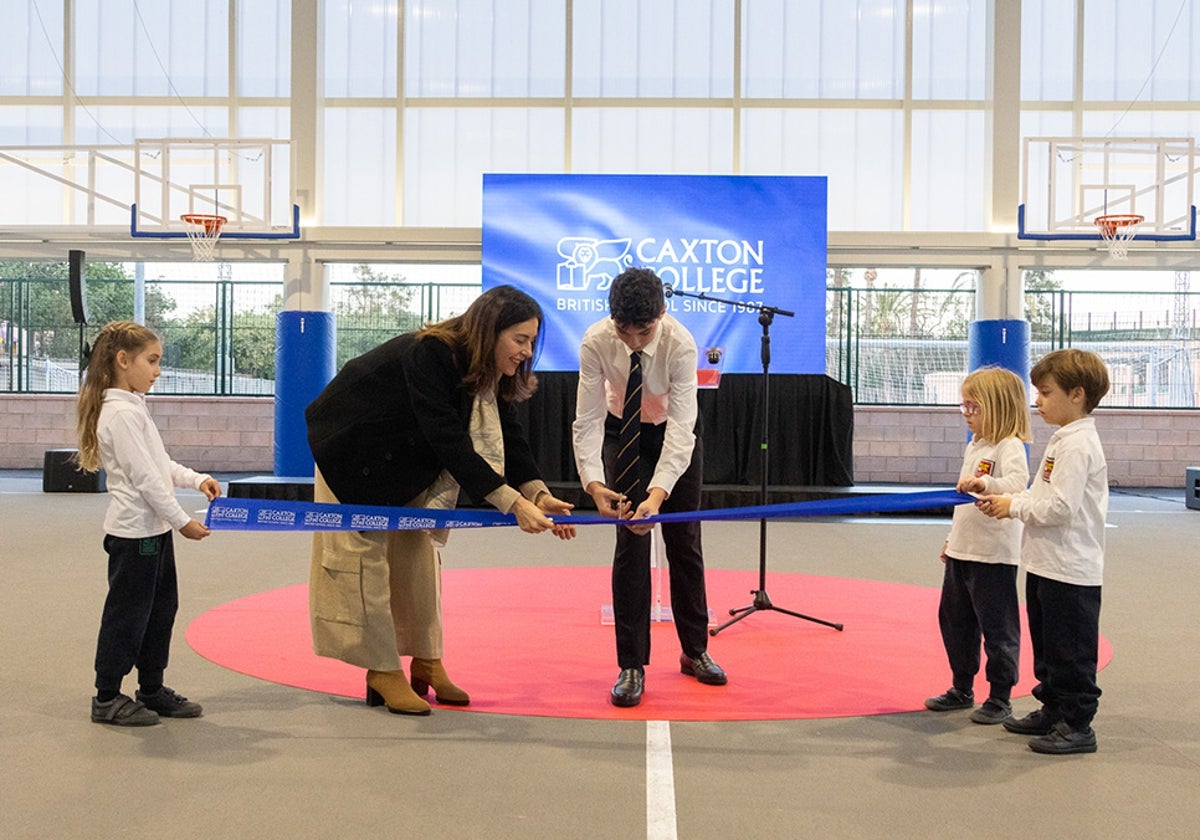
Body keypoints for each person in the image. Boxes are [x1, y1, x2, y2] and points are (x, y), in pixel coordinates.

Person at [305, 285, 576, 716]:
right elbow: (448, 438)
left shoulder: (488, 370)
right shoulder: (431, 353)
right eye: (520, 340)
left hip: (406, 459)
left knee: (417, 554)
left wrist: (538, 493)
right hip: (351, 453)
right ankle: (381, 670)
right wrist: (510, 502)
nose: (527, 351)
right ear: (491, 331)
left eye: (532, 342)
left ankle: (426, 660)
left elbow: (510, 435)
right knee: (365, 559)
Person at [572, 266, 726, 708]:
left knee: (684, 542)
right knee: (630, 545)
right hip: (627, 436)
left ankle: (695, 650)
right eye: (624, 330)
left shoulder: (680, 343)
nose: (632, 341)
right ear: (612, 319)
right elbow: (587, 419)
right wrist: (594, 483)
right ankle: (631, 664)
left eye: (642, 331)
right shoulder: (596, 340)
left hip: (674, 438)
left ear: (661, 313)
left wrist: (656, 496)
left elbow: (682, 427)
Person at [76, 320, 221, 726]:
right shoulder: (119, 414)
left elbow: (159, 465)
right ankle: (106, 698)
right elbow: (145, 480)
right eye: (152, 360)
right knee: (129, 614)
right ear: (123, 361)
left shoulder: (133, 406)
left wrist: (196, 479)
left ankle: (151, 689)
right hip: (134, 534)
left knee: (161, 610)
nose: (158, 370)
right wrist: (182, 520)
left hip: (154, 533)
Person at [971, 348, 1110, 755]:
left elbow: (1059, 508)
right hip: (1046, 563)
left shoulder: (1078, 445)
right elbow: (1040, 494)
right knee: (1049, 646)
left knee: (1071, 650)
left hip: (1071, 568)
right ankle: (1053, 708)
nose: (1038, 402)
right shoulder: (1062, 440)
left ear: (1078, 395)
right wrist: (1004, 496)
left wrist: (1012, 507)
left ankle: (1078, 723)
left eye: (1047, 393)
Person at [925, 367, 1031, 725]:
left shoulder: (1009, 445)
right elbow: (963, 506)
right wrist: (951, 541)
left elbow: (1017, 482)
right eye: (964, 406)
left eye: (974, 407)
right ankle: (961, 686)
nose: (967, 413)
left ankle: (1000, 695)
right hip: (962, 551)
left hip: (993, 556)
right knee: (955, 621)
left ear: (998, 408)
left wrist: (985, 484)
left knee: (997, 627)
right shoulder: (975, 444)